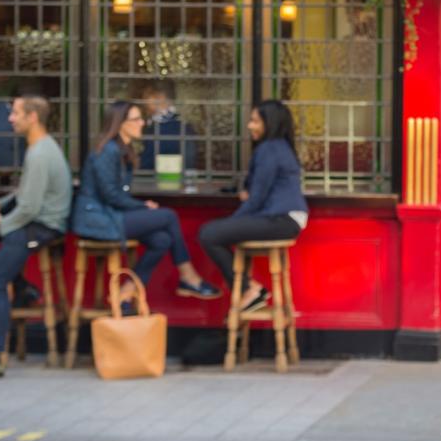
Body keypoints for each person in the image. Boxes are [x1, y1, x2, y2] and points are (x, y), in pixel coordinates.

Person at [72, 101, 220, 305]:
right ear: (120, 123)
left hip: (110, 215)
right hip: (97, 219)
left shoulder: (122, 150)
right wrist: (142, 206)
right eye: (136, 119)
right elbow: (111, 195)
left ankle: (127, 291)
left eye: (141, 118)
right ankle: (188, 276)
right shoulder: (108, 151)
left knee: (161, 240)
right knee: (168, 216)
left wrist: (140, 206)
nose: (142, 123)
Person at [199, 100, 307, 313]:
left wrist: (233, 222)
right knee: (215, 232)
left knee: (209, 234)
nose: (250, 126)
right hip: (286, 219)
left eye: (255, 121)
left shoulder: (268, 149)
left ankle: (249, 290)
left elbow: (256, 198)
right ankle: (250, 289)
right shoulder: (280, 147)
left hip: (279, 219)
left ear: (271, 123)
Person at [0, 95, 72, 379]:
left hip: (42, 226)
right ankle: (24, 287)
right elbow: (24, 194)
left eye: (15, 113)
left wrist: (1, 222)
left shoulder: (39, 153)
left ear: (32, 117)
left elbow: (29, 208)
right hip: (36, 222)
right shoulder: (41, 147)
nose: (10, 119)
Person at [136, 79, 197, 174]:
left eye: (147, 96)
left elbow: (148, 162)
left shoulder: (168, 128)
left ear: (159, 97)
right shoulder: (183, 125)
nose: (144, 100)